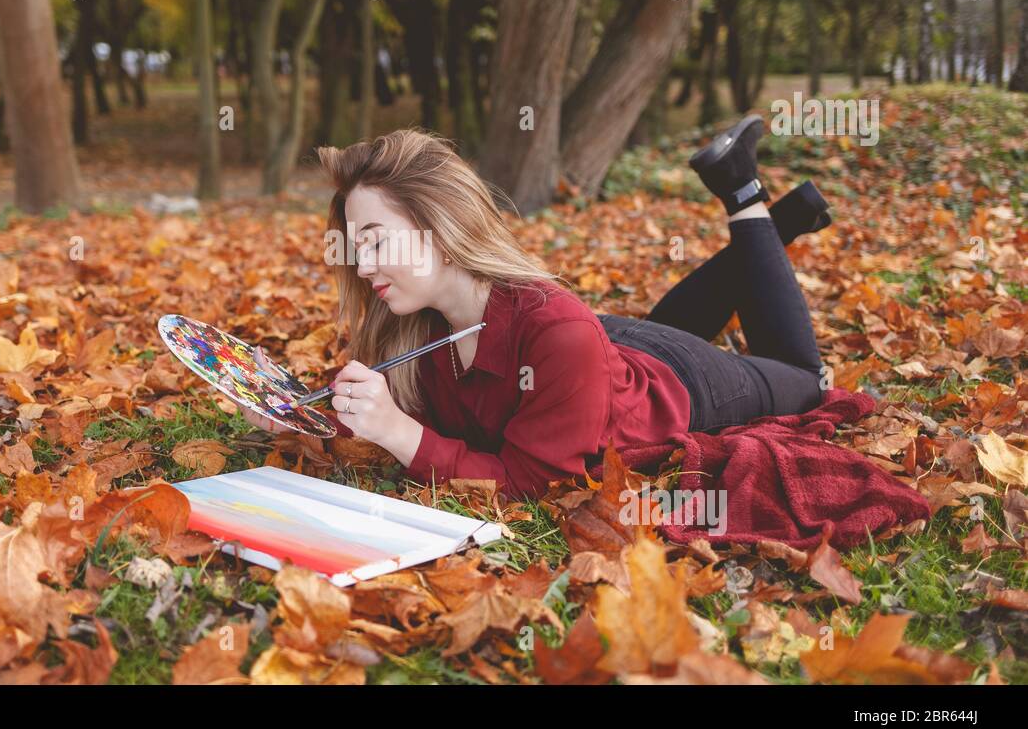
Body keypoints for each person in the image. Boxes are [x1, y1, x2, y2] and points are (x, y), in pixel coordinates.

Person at [236, 119, 833, 500]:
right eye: (356, 245)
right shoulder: (412, 321)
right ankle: (772, 222)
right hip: (607, 347)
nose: (363, 267)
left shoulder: (557, 331)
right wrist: (292, 410)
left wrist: (403, 435)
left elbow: (534, 483)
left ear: (441, 227)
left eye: (376, 240)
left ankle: (745, 194)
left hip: (680, 381)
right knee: (650, 328)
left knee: (805, 377)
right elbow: (371, 403)